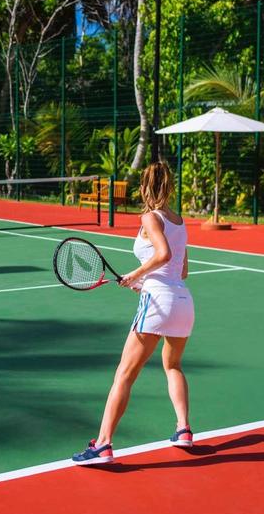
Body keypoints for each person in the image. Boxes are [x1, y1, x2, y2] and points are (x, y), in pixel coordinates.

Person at [72, 161, 195, 465]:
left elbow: (163, 254)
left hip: (159, 301)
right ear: (169, 187)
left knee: (124, 375)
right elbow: (182, 269)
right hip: (183, 301)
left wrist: (136, 274)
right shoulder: (179, 220)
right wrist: (145, 282)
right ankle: (183, 429)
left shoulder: (149, 218)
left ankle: (102, 444)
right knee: (174, 365)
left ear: (143, 187)